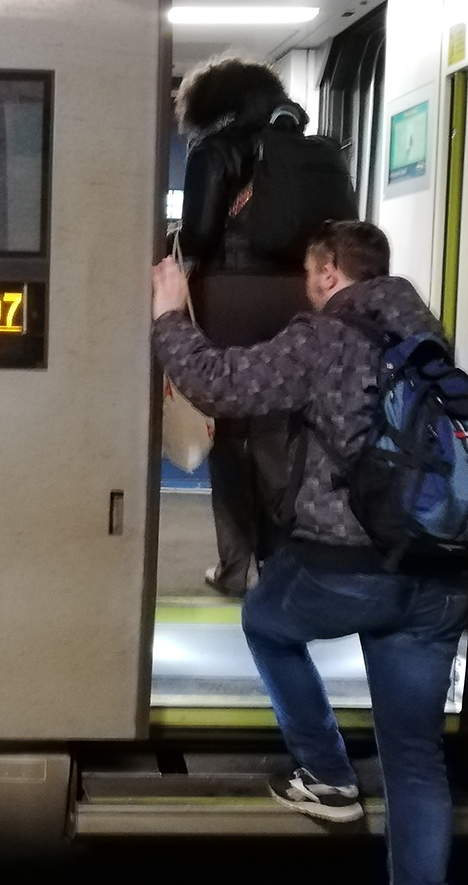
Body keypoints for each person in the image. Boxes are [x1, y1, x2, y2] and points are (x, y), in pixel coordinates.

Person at [151, 221, 468, 885]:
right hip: (438, 572)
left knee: (263, 619)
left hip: (349, 568)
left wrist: (171, 315)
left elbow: (222, 384)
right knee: (415, 760)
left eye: (308, 273)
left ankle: (326, 773)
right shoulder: (430, 339)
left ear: (329, 273)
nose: (307, 285)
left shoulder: (326, 338)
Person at [174, 57, 312, 596]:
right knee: (282, 434)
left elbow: (200, 236)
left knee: (230, 435)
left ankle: (236, 568)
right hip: (299, 300)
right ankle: (285, 568)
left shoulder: (214, 150)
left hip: (231, 301)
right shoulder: (309, 148)